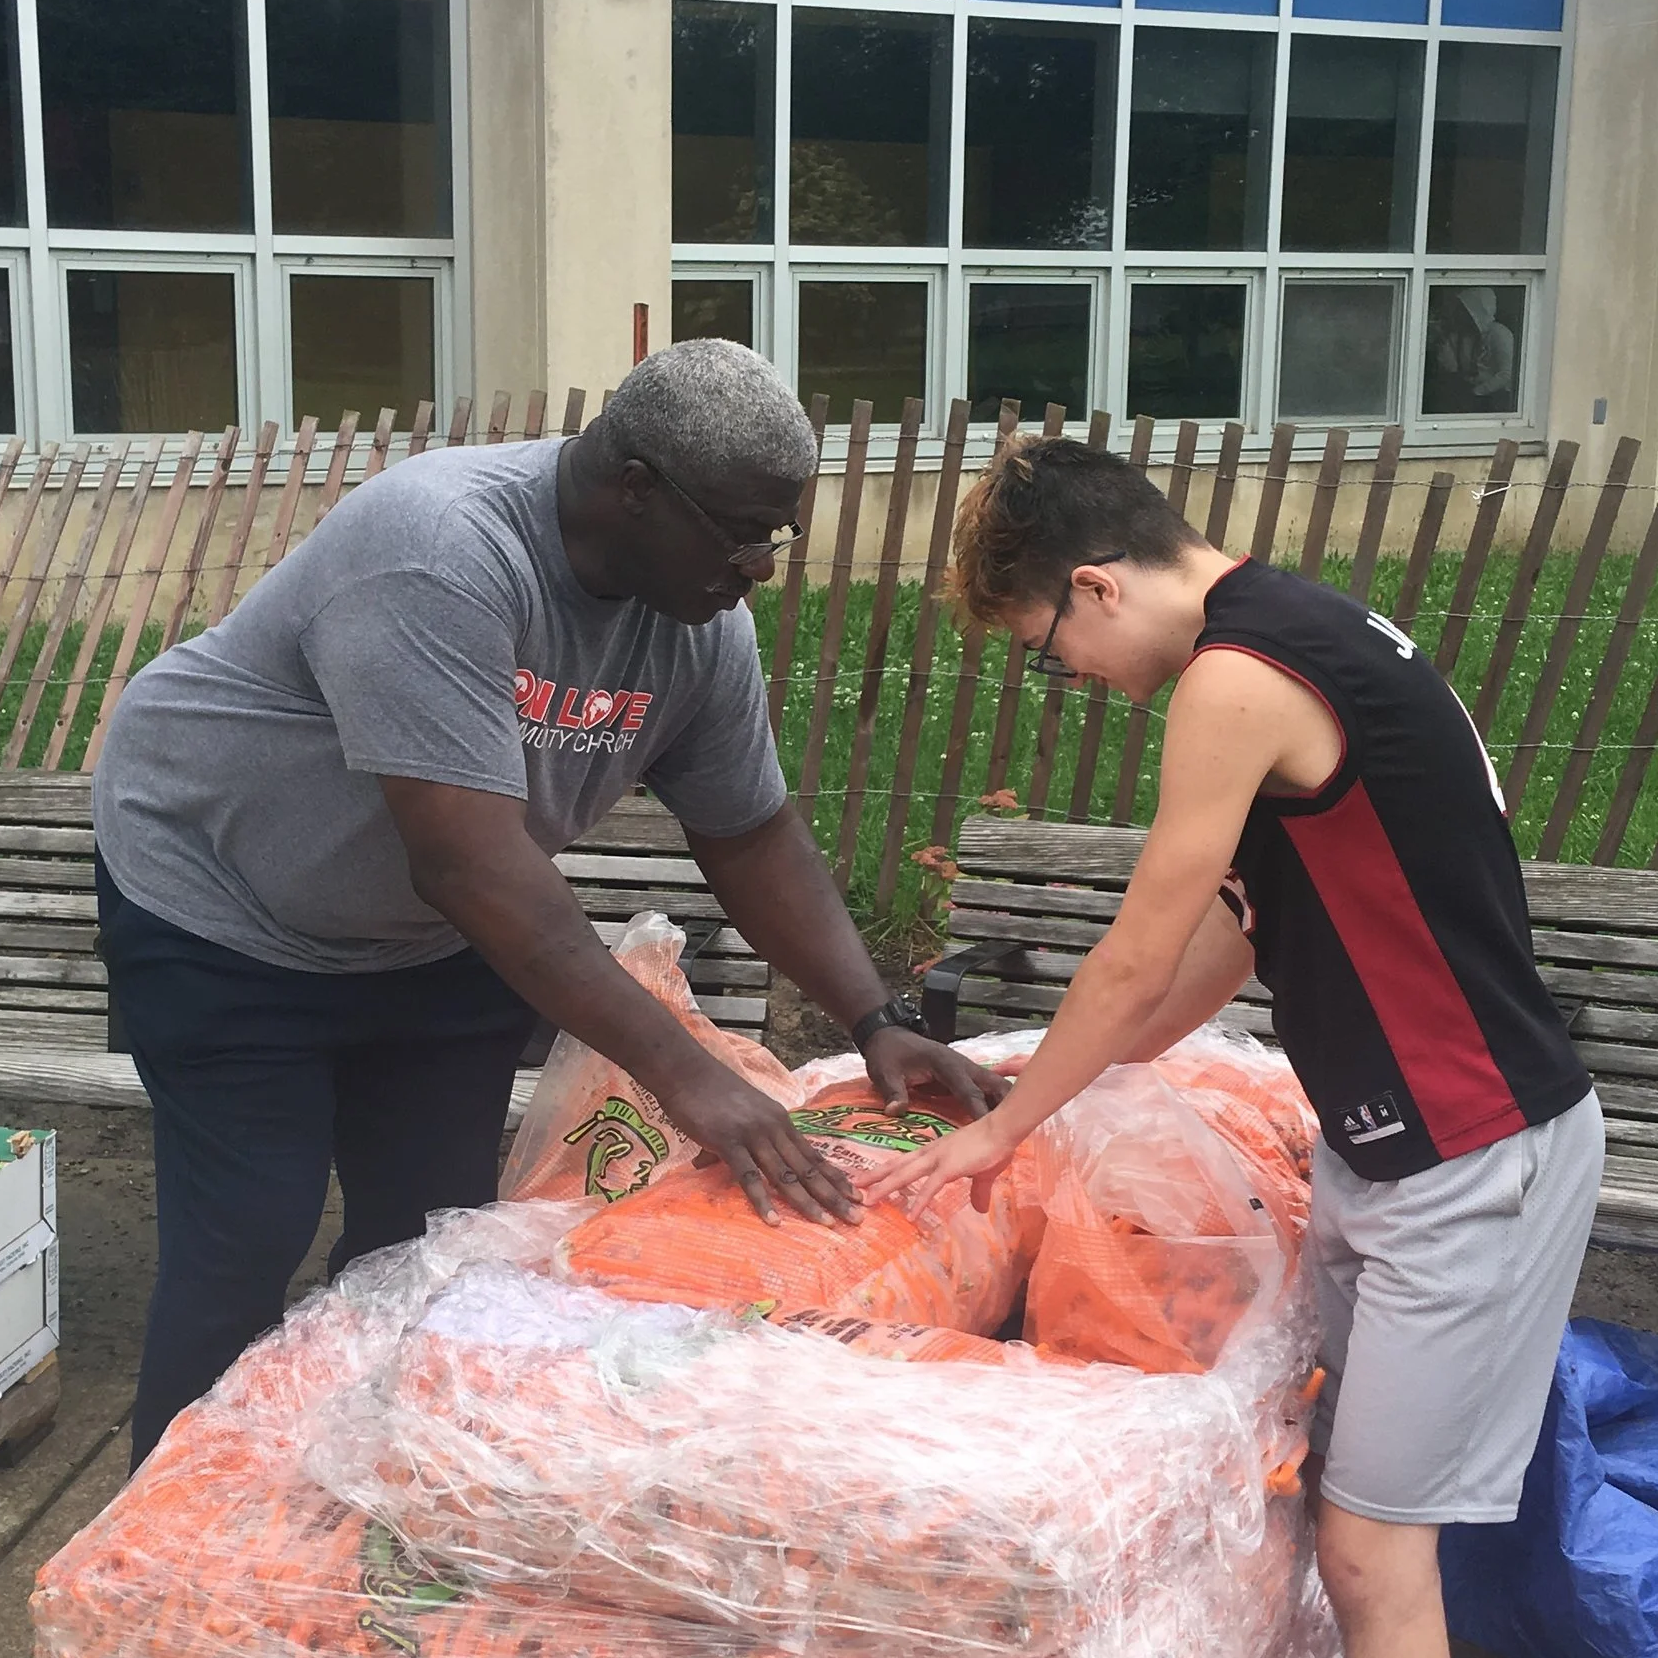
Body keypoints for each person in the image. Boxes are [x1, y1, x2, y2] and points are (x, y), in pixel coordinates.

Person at [861, 436, 1603, 1658]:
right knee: (1352, 1501)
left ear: (1096, 585)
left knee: (1369, 1541)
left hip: (1467, 1161)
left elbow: (1138, 934)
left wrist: (1005, 1129)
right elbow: (1239, 936)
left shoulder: (1236, 676)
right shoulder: (1310, 629)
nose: (1070, 680)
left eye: (1049, 651)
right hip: (1398, 1146)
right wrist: (1086, 1088)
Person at [93, 337, 998, 1469]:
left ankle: (353, 1494)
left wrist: (878, 1018)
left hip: (435, 942)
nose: (760, 565)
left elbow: (750, 831)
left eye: (777, 532)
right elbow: (471, 860)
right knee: (247, 1236)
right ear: (632, 487)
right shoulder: (438, 550)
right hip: (224, 909)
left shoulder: (697, 626)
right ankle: (160, 1548)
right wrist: (690, 1076)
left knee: (427, 1241)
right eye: (738, 530)